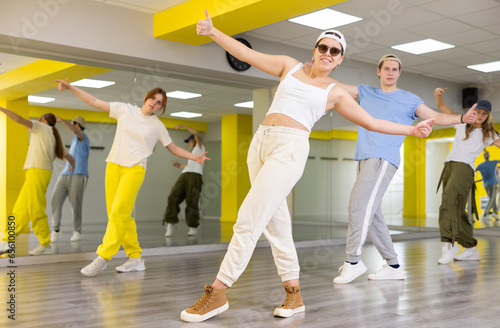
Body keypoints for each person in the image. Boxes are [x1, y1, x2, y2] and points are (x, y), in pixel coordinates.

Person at [180, 10, 434, 323]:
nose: (328, 54)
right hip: (261, 142)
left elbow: (371, 121)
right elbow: (246, 53)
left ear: (340, 59)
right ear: (314, 50)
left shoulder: (335, 92)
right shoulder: (289, 66)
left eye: (335, 51)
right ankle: (293, 291)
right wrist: (213, 32)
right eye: (323, 48)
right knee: (276, 222)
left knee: (249, 217)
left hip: (290, 148)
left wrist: (411, 129)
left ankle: (218, 290)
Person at [327, 54, 478, 284]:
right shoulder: (366, 92)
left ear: (399, 73)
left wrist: (461, 118)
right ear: (378, 71)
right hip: (362, 157)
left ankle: (353, 261)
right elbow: (337, 87)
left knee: (358, 207)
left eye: (395, 69)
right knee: (372, 213)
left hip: (383, 158)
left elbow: (435, 116)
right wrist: (316, 71)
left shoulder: (409, 99)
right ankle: (394, 266)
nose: (390, 72)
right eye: (386, 68)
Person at [54, 78, 210, 277]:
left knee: (119, 212)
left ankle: (103, 257)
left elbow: (173, 147)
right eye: (153, 98)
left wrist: (194, 156)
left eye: (159, 102)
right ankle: (135, 258)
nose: (154, 102)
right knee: (119, 214)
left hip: (135, 170)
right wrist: (70, 87)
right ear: (146, 98)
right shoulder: (125, 110)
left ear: (161, 108)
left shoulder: (157, 126)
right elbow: (94, 101)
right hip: (113, 166)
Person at [434, 88, 500, 264]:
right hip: (449, 166)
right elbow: (441, 106)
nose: (479, 116)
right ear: (472, 111)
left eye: (484, 113)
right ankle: (470, 248)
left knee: (447, 203)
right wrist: (438, 93)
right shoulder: (461, 123)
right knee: (456, 210)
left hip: (464, 169)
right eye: (477, 111)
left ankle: (448, 244)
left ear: (488, 116)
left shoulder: (489, 133)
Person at [0, 109, 75, 256]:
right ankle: (7, 241)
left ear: (42, 119)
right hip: (38, 172)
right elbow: (70, 158)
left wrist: (2, 109)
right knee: (21, 207)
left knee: (35, 208)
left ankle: (45, 243)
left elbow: (19, 118)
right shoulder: (54, 136)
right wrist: (73, 165)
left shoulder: (40, 127)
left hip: (37, 172)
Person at [50, 116, 90, 243]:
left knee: (75, 204)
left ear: (77, 125)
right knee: (55, 200)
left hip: (79, 174)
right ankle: (56, 230)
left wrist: (61, 121)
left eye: (73, 124)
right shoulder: (74, 140)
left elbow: (76, 131)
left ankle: (77, 231)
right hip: (66, 173)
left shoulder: (83, 137)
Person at [163, 124, 206, 237]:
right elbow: (189, 165)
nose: (188, 143)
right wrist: (179, 166)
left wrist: (182, 125)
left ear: (194, 141)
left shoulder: (200, 148)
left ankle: (193, 226)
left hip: (195, 176)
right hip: (185, 175)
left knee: (191, 201)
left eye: (190, 141)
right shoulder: (191, 152)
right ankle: (171, 223)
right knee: (173, 196)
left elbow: (196, 133)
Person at [475, 150, 499, 220]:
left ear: (483, 157)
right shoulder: (493, 162)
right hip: (493, 183)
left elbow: (474, 170)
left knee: (492, 198)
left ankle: (495, 213)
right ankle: (486, 213)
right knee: (492, 198)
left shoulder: (480, 165)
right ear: (489, 156)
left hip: (485, 184)